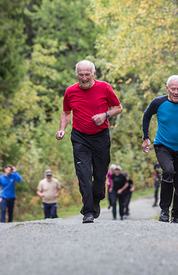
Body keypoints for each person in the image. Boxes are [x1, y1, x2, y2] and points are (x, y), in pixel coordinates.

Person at [55, 60, 123, 223]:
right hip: (80, 137)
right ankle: (88, 211)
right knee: (83, 175)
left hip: (100, 136)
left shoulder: (104, 87)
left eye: (87, 74)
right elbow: (66, 112)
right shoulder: (70, 91)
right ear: (76, 74)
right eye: (81, 74)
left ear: (93, 74)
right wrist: (62, 129)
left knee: (99, 176)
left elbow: (118, 107)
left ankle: (97, 197)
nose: (84, 78)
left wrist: (105, 115)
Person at [141, 75, 178, 224]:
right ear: (167, 88)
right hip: (163, 145)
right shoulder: (158, 102)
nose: (175, 92)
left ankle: (176, 215)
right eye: (173, 89)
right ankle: (164, 211)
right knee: (168, 171)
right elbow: (146, 116)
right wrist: (146, 137)